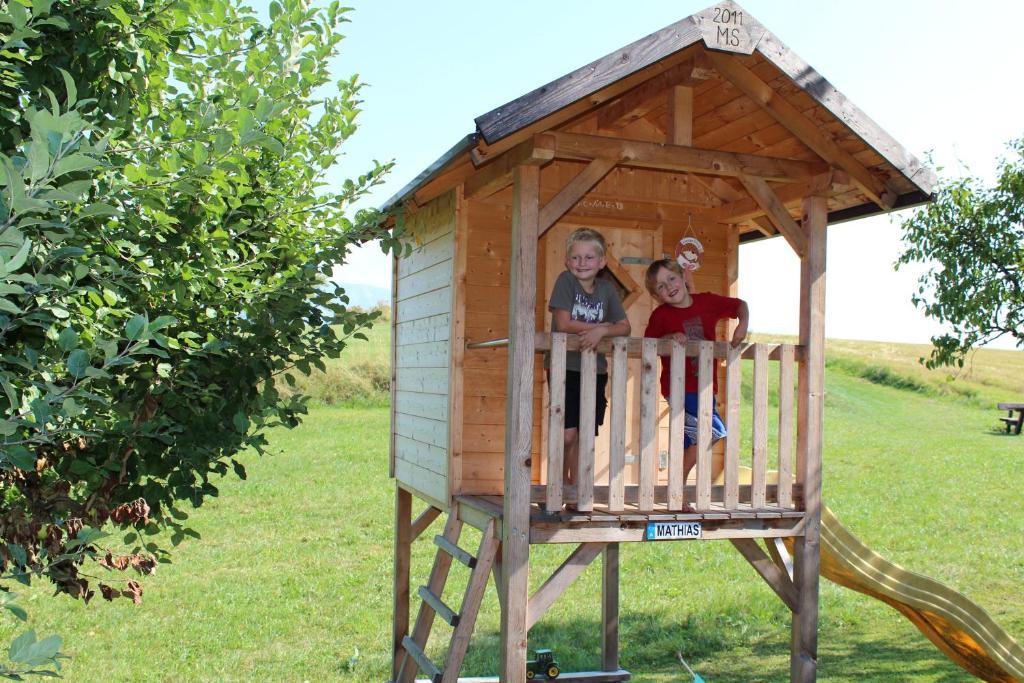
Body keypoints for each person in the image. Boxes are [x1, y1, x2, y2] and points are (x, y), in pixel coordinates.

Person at [643, 258, 749, 494]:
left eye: (671, 278)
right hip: (679, 388)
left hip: (706, 387)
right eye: (661, 286)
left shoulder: (707, 302)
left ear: (682, 276)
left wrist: (742, 324)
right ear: (657, 295)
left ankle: (676, 493)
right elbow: (647, 344)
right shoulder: (661, 316)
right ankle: (677, 489)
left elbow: (740, 305)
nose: (669, 287)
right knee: (712, 431)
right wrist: (668, 337)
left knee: (692, 442)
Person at [547, 228, 631, 490]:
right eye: (576, 257)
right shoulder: (565, 281)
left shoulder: (606, 290)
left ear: (602, 262)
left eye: (589, 257)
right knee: (567, 433)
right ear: (567, 261)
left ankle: (577, 487)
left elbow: (624, 326)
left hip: (595, 370)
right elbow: (563, 323)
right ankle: (559, 483)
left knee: (584, 433)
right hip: (565, 366)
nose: (582, 263)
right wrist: (595, 328)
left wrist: (603, 329)